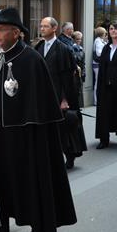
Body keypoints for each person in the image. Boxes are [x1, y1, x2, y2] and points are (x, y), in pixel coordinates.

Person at [0, 8, 77, 232]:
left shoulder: (31, 59)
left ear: (16, 33)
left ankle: (37, 225)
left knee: (28, 180)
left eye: (1, 30)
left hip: (24, 137)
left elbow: (41, 102)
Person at [35, 18, 86, 169]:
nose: (42, 29)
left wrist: (64, 99)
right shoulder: (39, 46)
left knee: (63, 128)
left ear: (54, 28)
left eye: (45, 26)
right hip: (43, 96)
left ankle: (69, 156)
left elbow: (69, 77)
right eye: (41, 26)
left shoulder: (63, 49)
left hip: (59, 95)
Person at [92, 27, 107, 106]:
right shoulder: (98, 41)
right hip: (97, 64)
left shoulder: (100, 40)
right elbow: (99, 53)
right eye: (105, 33)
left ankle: (98, 100)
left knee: (98, 82)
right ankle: (96, 100)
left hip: (98, 64)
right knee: (98, 82)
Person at [72, 31, 86, 108]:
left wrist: (84, 73)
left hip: (80, 72)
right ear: (74, 39)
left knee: (79, 90)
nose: (79, 41)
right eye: (77, 39)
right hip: (75, 71)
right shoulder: (72, 49)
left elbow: (83, 63)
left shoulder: (81, 49)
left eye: (80, 39)